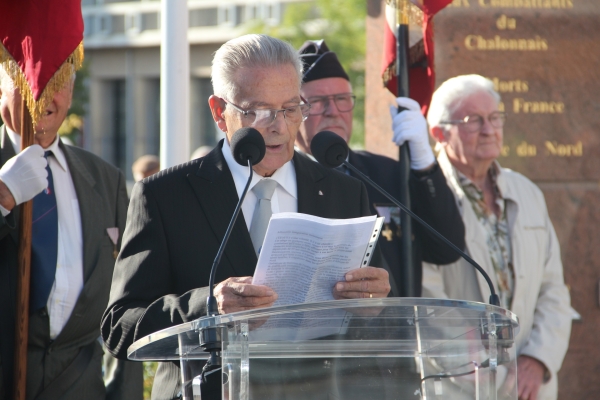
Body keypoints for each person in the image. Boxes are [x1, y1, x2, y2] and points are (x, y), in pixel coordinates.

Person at [101, 34, 391, 399]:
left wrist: (374, 300)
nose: (279, 127)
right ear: (219, 112)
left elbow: (374, 310)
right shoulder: (165, 195)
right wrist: (207, 306)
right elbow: (119, 326)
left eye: (290, 108)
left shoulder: (344, 192)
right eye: (258, 111)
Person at [422, 74, 571, 400]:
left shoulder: (527, 192)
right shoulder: (425, 198)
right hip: (459, 386)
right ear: (439, 133)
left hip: (533, 388)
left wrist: (536, 360)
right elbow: (429, 305)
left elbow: (554, 291)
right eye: (473, 120)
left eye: (494, 118)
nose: (489, 129)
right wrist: (498, 377)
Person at [0, 66, 142, 398]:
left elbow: (129, 299)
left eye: (57, 82)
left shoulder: (104, 178)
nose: (43, 95)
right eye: (27, 83)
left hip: (80, 386)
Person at [296, 40, 465, 296]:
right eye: (317, 101)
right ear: (294, 112)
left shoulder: (385, 174)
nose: (333, 111)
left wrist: (424, 164)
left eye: (342, 99)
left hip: (394, 333)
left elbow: (447, 250)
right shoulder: (282, 178)